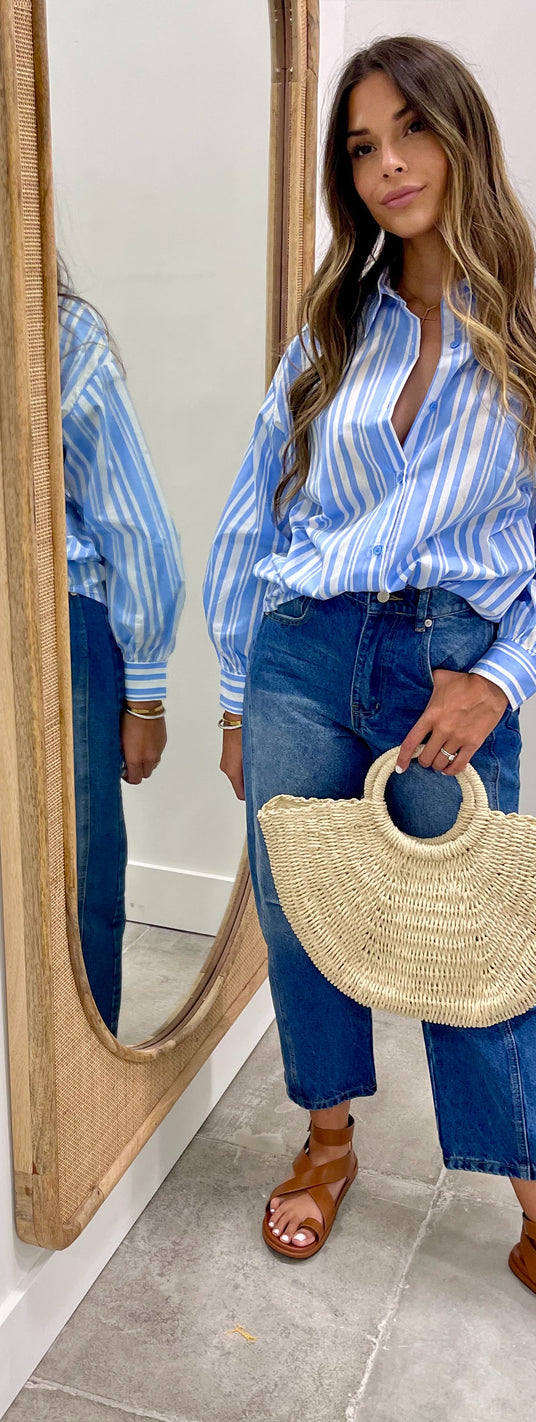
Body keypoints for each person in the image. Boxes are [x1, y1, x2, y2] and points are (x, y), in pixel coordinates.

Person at [204, 36, 536, 1380]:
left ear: (464, 137)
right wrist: (232, 693)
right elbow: (259, 509)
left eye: (411, 130)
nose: (389, 165)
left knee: (478, 945)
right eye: (361, 146)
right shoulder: (333, 326)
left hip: (448, 665)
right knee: (301, 918)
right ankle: (327, 1140)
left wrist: (498, 676)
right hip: (300, 651)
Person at [59, 259, 185, 1035]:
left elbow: (134, 523)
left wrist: (144, 694)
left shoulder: (58, 332)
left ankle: (83, 1067)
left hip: (58, 622)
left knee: (80, 871)